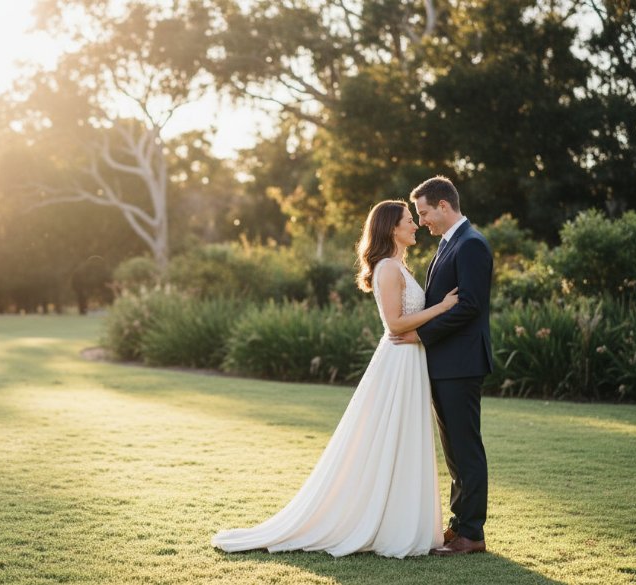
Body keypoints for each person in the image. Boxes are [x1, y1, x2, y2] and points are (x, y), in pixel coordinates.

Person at [211, 200, 459, 558]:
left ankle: (401, 519)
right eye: (409, 220)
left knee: (403, 437)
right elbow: (394, 324)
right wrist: (442, 307)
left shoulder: (399, 266)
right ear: (392, 228)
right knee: (390, 436)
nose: (415, 225)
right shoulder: (388, 268)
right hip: (398, 361)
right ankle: (383, 522)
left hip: (410, 359)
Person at [392, 176, 493, 556]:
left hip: (461, 364)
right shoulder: (450, 243)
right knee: (454, 452)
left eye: (424, 213)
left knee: (466, 449)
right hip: (446, 364)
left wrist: (421, 334)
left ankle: (472, 533)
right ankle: (460, 524)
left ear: (444, 206)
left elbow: (470, 306)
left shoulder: (471, 244)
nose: (421, 222)